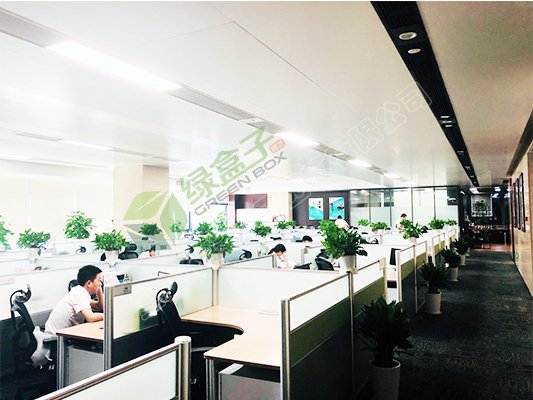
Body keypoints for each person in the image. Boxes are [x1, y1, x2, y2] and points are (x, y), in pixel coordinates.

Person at [44, 265, 104, 340]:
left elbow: (100, 307)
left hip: (63, 335)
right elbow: (91, 317)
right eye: (99, 280)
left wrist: (99, 290)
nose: (101, 283)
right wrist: (108, 316)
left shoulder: (80, 292)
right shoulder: (79, 293)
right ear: (89, 283)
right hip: (55, 339)